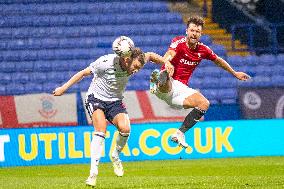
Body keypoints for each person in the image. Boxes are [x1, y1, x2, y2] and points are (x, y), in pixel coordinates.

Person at [53, 45, 173, 187]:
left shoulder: (139, 59)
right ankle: (93, 174)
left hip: (115, 100)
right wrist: (63, 88)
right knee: (101, 129)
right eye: (135, 66)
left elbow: (151, 55)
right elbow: (83, 73)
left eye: (138, 68)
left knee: (125, 128)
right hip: (96, 98)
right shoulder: (106, 62)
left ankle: (115, 155)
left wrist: (166, 61)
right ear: (127, 59)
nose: (135, 70)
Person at [150, 15, 251, 148]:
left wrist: (234, 73)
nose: (194, 34)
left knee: (204, 103)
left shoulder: (203, 50)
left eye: (197, 31)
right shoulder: (178, 43)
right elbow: (170, 53)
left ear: (201, 34)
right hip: (170, 82)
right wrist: (167, 62)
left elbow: (219, 61)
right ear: (187, 31)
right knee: (167, 74)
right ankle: (159, 80)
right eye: (192, 30)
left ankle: (179, 133)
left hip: (180, 90)